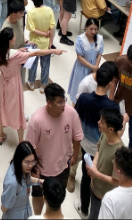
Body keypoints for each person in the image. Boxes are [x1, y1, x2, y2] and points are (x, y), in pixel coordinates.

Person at [0, 27, 65, 145]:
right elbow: (36, 53)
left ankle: (1, 135)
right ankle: (21, 141)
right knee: (17, 110)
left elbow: (6, 55)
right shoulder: (15, 55)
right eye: (13, 37)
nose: (15, 38)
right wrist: (53, 51)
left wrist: (19, 50)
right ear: (10, 41)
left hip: (3, 82)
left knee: (1, 106)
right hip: (14, 84)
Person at [26, 82, 82, 216]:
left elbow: (77, 136)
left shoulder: (71, 113)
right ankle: (38, 216)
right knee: (38, 195)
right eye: (59, 102)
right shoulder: (37, 120)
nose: (63, 105)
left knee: (56, 197)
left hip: (63, 166)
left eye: (64, 100)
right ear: (49, 103)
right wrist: (34, 170)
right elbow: (29, 148)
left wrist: (75, 155)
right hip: (41, 169)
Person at [72, 65, 120, 210]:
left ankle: (84, 208)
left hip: (84, 144)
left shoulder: (84, 98)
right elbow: (115, 132)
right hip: (102, 148)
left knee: (86, 175)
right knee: (98, 177)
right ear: (110, 83)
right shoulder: (112, 107)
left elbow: (76, 119)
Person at [84, 108, 124, 218]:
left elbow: (117, 181)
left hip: (104, 194)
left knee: (95, 215)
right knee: (93, 211)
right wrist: (94, 164)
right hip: (95, 186)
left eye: (101, 122)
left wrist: (97, 174)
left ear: (111, 129)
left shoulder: (119, 152)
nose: (98, 122)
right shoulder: (105, 134)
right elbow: (98, 149)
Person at [68, 18, 104, 104]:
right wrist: (92, 67)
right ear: (86, 27)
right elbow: (79, 57)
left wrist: (96, 67)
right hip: (82, 67)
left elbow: (99, 54)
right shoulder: (80, 39)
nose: (93, 31)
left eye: (95, 29)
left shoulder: (100, 39)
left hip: (94, 68)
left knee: (91, 89)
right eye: (91, 29)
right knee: (78, 89)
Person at [27, 0, 56, 93]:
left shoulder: (31, 12)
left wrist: (43, 34)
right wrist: (50, 41)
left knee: (32, 64)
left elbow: (32, 29)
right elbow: (52, 28)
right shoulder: (49, 10)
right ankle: (43, 85)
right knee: (45, 65)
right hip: (46, 43)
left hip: (34, 43)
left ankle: (31, 83)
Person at [1, 141, 39, 219]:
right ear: (19, 160)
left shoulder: (22, 168)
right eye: (27, 162)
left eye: (33, 161)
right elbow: (4, 208)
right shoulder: (12, 183)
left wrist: (40, 182)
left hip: (24, 208)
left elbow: (26, 181)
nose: (30, 165)